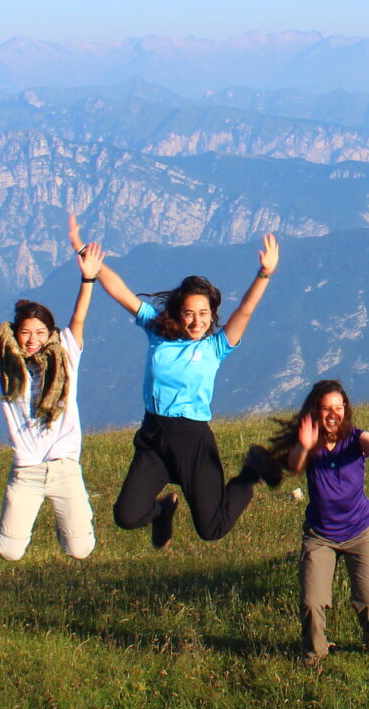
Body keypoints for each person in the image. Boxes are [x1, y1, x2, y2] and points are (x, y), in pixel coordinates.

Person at [69, 213, 283, 549]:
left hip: (192, 441)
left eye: (204, 313)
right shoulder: (158, 331)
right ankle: (163, 509)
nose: (197, 321)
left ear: (212, 315)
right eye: (189, 313)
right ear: (177, 313)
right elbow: (121, 292)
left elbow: (246, 309)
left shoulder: (216, 347)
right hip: (153, 436)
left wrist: (264, 273)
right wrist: (87, 257)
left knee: (211, 529)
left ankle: (251, 474)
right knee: (127, 516)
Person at [0, 241, 104, 561]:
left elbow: (79, 317)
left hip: (64, 466)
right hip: (26, 470)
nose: (33, 340)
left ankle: (68, 523)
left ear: (50, 332)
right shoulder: (4, 360)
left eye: (40, 332)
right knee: (9, 552)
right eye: (26, 333)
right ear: (16, 333)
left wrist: (89, 279)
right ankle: (49, 519)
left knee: (81, 549)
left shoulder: (66, 353)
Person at [269, 380, 369, 664]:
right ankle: (314, 651)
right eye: (326, 409)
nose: (333, 414)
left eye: (338, 408)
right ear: (315, 411)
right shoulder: (309, 442)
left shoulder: (355, 437)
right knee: (312, 600)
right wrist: (305, 446)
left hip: (360, 531)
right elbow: (294, 465)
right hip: (320, 535)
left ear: (346, 410)